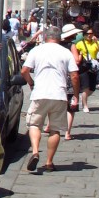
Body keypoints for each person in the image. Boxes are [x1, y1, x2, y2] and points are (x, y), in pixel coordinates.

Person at [21, 26, 80, 174]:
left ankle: (35, 151)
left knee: (34, 124)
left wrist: (31, 83)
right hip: (59, 94)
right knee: (55, 129)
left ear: (45, 37)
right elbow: (74, 75)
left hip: (40, 93)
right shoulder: (66, 52)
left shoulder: (37, 50)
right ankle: (49, 162)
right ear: (59, 38)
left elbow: (24, 70)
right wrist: (76, 95)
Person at [74, 25, 99, 113]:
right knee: (85, 87)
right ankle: (85, 106)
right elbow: (75, 54)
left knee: (92, 88)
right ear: (84, 35)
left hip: (93, 67)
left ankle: (83, 97)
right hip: (83, 67)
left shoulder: (95, 43)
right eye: (87, 34)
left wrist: (97, 43)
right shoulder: (80, 44)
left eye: (91, 33)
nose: (89, 35)